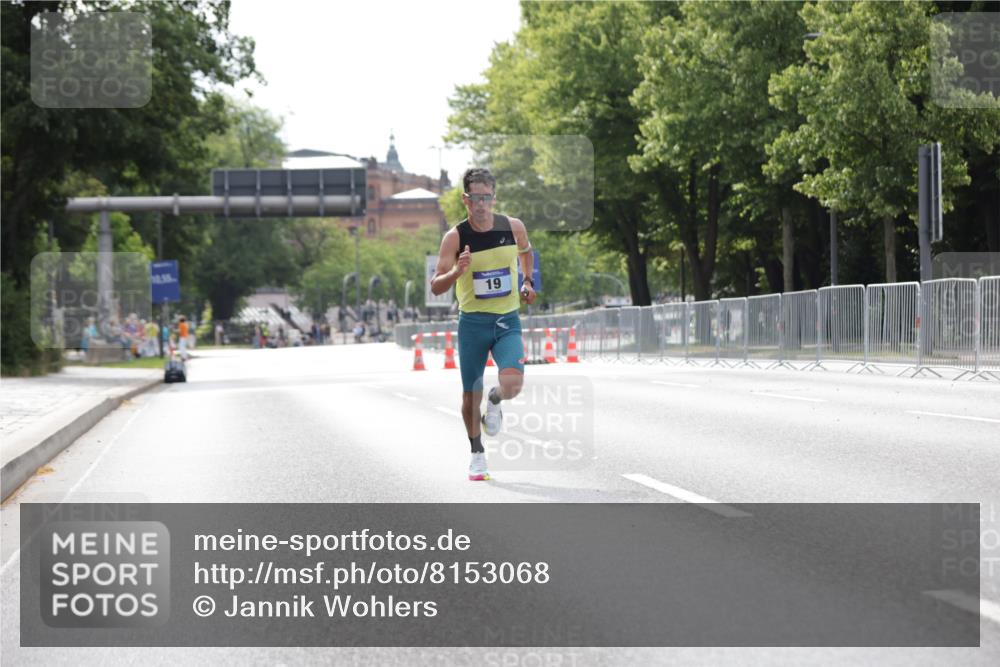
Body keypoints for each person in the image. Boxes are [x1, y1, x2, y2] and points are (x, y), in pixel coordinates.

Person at [430, 167, 536, 481]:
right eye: (475, 198)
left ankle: (496, 399)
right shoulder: (455, 237)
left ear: (493, 197)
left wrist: (527, 281)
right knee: (468, 396)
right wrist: (457, 272)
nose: (481, 204)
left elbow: (526, 252)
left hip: (507, 320)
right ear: (466, 199)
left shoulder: (512, 226)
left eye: (486, 197)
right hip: (473, 324)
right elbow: (436, 286)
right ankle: (477, 453)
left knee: (513, 384)